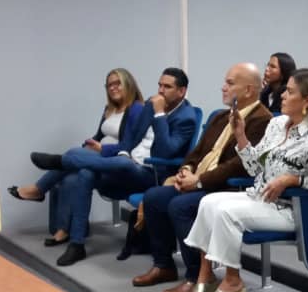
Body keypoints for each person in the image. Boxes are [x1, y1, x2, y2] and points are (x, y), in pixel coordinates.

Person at [183, 68, 308, 292]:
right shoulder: (276, 124)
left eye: (290, 92)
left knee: (226, 212)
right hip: (260, 196)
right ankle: (206, 274)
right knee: (209, 202)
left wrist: (290, 179)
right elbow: (255, 166)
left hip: (290, 208)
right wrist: (240, 135)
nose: (282, 96)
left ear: (307, 101)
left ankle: (232, 282)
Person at [28, 68, 197, 266]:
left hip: (153, 174)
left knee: (119, 162)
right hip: (128, 165)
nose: (160, 91)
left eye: (167, 87)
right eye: (159, 85)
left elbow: (167, 152)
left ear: (182, 91)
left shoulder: (186, 117)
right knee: (86, 173)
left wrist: (159, 115)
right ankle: (77, 244)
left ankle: (62, 162)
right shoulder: (150, 105)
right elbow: (130, 140)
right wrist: (122, 151)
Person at [131, 63, 272, 292]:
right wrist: (186, 170)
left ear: (248, 90)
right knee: (154, 197)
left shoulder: (263, 120)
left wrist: (198, 181)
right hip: (201, 181)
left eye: (230, 83)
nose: (223, 87)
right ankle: (163, 265)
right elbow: (197, 152)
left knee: (180, 206)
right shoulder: (220, 116)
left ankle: (198, 276)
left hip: (228, 188)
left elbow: (239, 165)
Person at [8, 68, 144, 247]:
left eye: (117, 83)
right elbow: (98, 136)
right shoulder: (109, 109)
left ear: (128, 83)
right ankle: (64, 230)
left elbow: (130, 145)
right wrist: (88, 145)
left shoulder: (137, 109)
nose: (113, 88)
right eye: (109, 85)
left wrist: (102, 148)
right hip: (98, 158)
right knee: (71, 177)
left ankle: (39, 188)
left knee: (71, 158)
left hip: (117, 165)